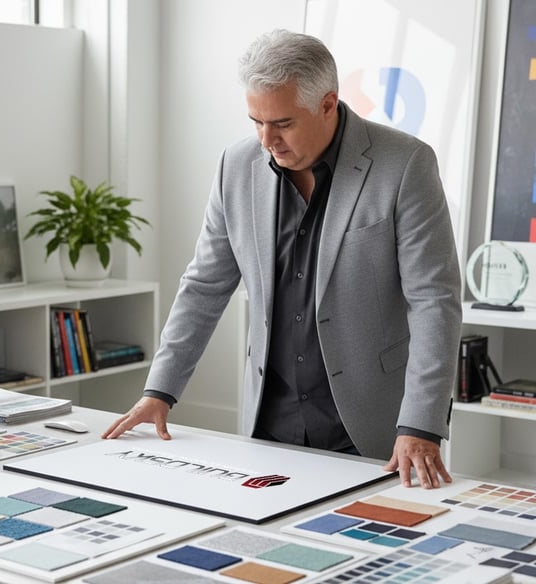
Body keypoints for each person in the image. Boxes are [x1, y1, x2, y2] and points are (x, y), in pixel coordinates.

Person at [102, 29, 462, 490]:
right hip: (268, 423)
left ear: (328, 104)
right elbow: (204, 285)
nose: (267, 139)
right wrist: (160, 390)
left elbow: (434, 300)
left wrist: (420, 424)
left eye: (283, 123)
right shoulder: (236, 165)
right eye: (256, 121)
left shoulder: (405, 163)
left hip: (373, 428)